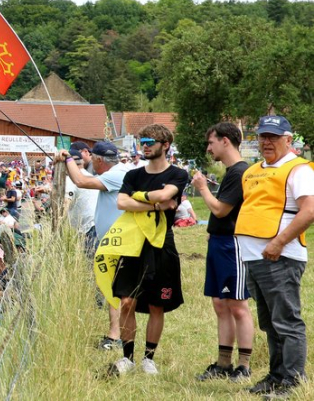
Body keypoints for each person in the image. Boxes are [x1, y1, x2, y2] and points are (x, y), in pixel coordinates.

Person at [233, 116, 314, 396]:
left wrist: (279, 243)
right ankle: (276, 375)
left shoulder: (298, 169)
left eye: (274, 137)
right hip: (255, 257)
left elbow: (309, 211)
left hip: (279, 256)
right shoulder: (253, 171)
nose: (267, 142)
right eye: (263, 136)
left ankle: (293, 380)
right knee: (270, 323)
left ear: (288, 140)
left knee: (286, 321)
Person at [110, 124, 188, 376]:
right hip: (132, 244)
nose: (145, 145)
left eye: (150, 141)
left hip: (161, 245)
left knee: (157, 305)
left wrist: (138, 199)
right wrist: (155, 205)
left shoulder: (178, 173)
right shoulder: (133, 175)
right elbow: (122, 202)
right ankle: (128, 358)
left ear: (165, 145)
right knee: (126, 302)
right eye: (142, 141)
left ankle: (148, 358)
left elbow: (168, 193)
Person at [191, 122, 254, 382]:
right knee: (220, 303)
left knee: (238, 305)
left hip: (233, 244)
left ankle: (244, 365)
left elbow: (220, 210)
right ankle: (223, 363)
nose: (209, 148)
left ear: (226, 141)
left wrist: (202, 188)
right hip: (219, 242)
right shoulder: (231, 171)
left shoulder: (241, 172)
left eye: (211, 142)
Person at [60, 141, 129, 351]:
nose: (93, 165)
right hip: (111, 240)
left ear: (99, 160)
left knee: (116, 290)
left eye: (94, 161)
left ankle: (118, 337)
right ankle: (115, 335)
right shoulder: (115, 172)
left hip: (117, 241)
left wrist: (67, 158)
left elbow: (80, 180)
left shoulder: (115, 174)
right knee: (112, 289)